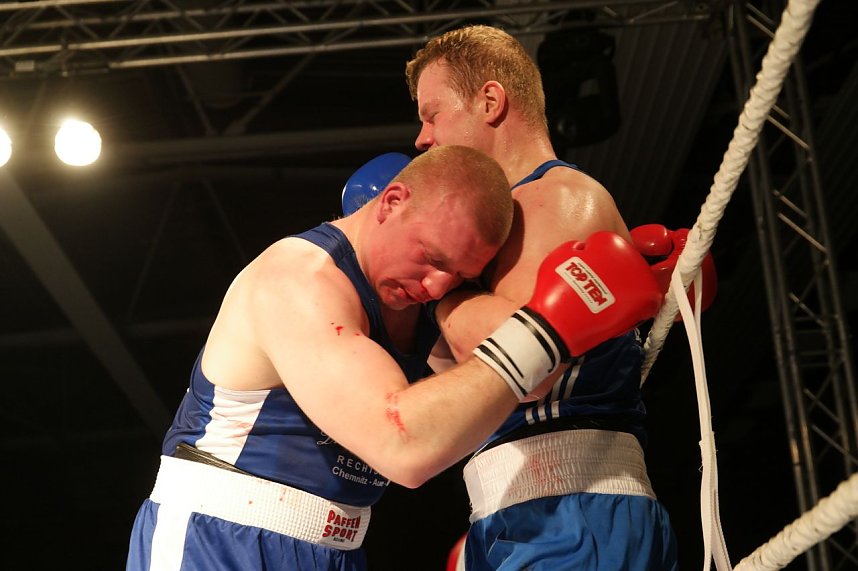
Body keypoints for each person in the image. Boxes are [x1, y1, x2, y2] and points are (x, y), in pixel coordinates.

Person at [125, 144, 663, 571]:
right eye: (431, 259)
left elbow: (522, 388)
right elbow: (403, 444)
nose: (435, 285)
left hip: (336, 550)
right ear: (391, 202)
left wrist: (633, 292)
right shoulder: (296, 280)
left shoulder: (421, 300)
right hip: (218, 541)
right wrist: (546, 328)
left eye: (457, 275)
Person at [405, 25, 680, 570]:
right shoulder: (510, 216)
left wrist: (442, 288)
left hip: (574, 514)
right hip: (526, 511)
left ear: (489, 100)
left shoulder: (553, 200)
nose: (421, 137)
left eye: (432, 113)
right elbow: (452, 384)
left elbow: (525, 370)